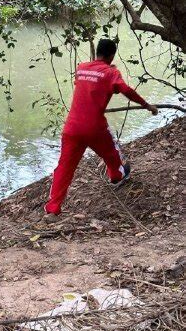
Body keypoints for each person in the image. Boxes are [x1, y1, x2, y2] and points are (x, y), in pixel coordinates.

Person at [45, 38, 158, 216]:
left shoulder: (81, 68)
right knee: (112, 153)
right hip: (94, 127)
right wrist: (147, 105)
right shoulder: (111, 73)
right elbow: (126, 90)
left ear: (97, 52)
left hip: (72, 127)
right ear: (112, 56)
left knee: (64, 168)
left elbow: (87, 85)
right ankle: (117, 175)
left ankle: (52, 208)